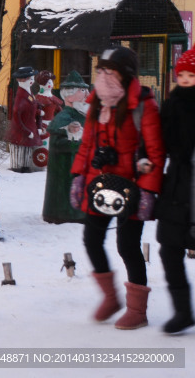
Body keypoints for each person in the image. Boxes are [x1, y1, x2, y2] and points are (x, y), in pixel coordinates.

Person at [70, 46, 165, 329]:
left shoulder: (143, 105)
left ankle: (137, 311)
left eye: (108, 71)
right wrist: (78, 175)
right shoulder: (98, 101)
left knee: (127, 246)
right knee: (91, 240)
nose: (102, 76)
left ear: (124, 75)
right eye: (100, 71)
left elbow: (156, 152)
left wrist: (148, 191)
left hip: (131, 189)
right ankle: (110, 297)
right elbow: (87, 143)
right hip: (99, 184)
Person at [156, 47, 195, 333]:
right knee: (170, 251)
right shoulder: (171, 105)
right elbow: (161, 142)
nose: (184, 79)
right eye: (181, 74)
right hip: (176, 186)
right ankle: (182, 311)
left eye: (190, 75)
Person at [42, 71, 89, 224]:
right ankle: (66, 214)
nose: (87, 94)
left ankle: (78, 212)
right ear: (69, 96)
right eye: (82, 91)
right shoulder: (64, 117)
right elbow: (57, 144)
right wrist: (76, 142)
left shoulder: (80, 114)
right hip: (65, 168)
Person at [7, 65, 44, 172]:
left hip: (30, 125)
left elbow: (30, 108)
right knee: (21, 148)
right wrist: (25, 130)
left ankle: (26, 166)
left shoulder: (29, 93)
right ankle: (20, 167)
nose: (31, 81)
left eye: (32, 78)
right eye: (28, 79)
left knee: (28, 147)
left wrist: (38, 112)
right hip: (22, 128)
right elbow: (16, 115)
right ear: (21, 80)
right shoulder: (21, 96)